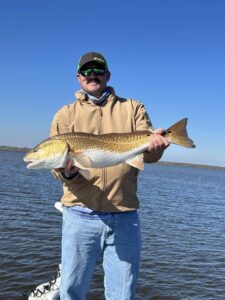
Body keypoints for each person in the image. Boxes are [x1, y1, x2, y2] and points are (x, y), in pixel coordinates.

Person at [50, 51, 170, 300]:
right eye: (86, 71)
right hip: (79, 214)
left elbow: (147, 156)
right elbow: (57, 169)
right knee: (71, 290)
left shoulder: (133, 107)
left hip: (125, 215)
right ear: (78, 77)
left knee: (122, 293)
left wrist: (156, 147)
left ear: (107, 75)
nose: (92, 76)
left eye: (97, 71)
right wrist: (68, 175)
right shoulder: (65, 114)